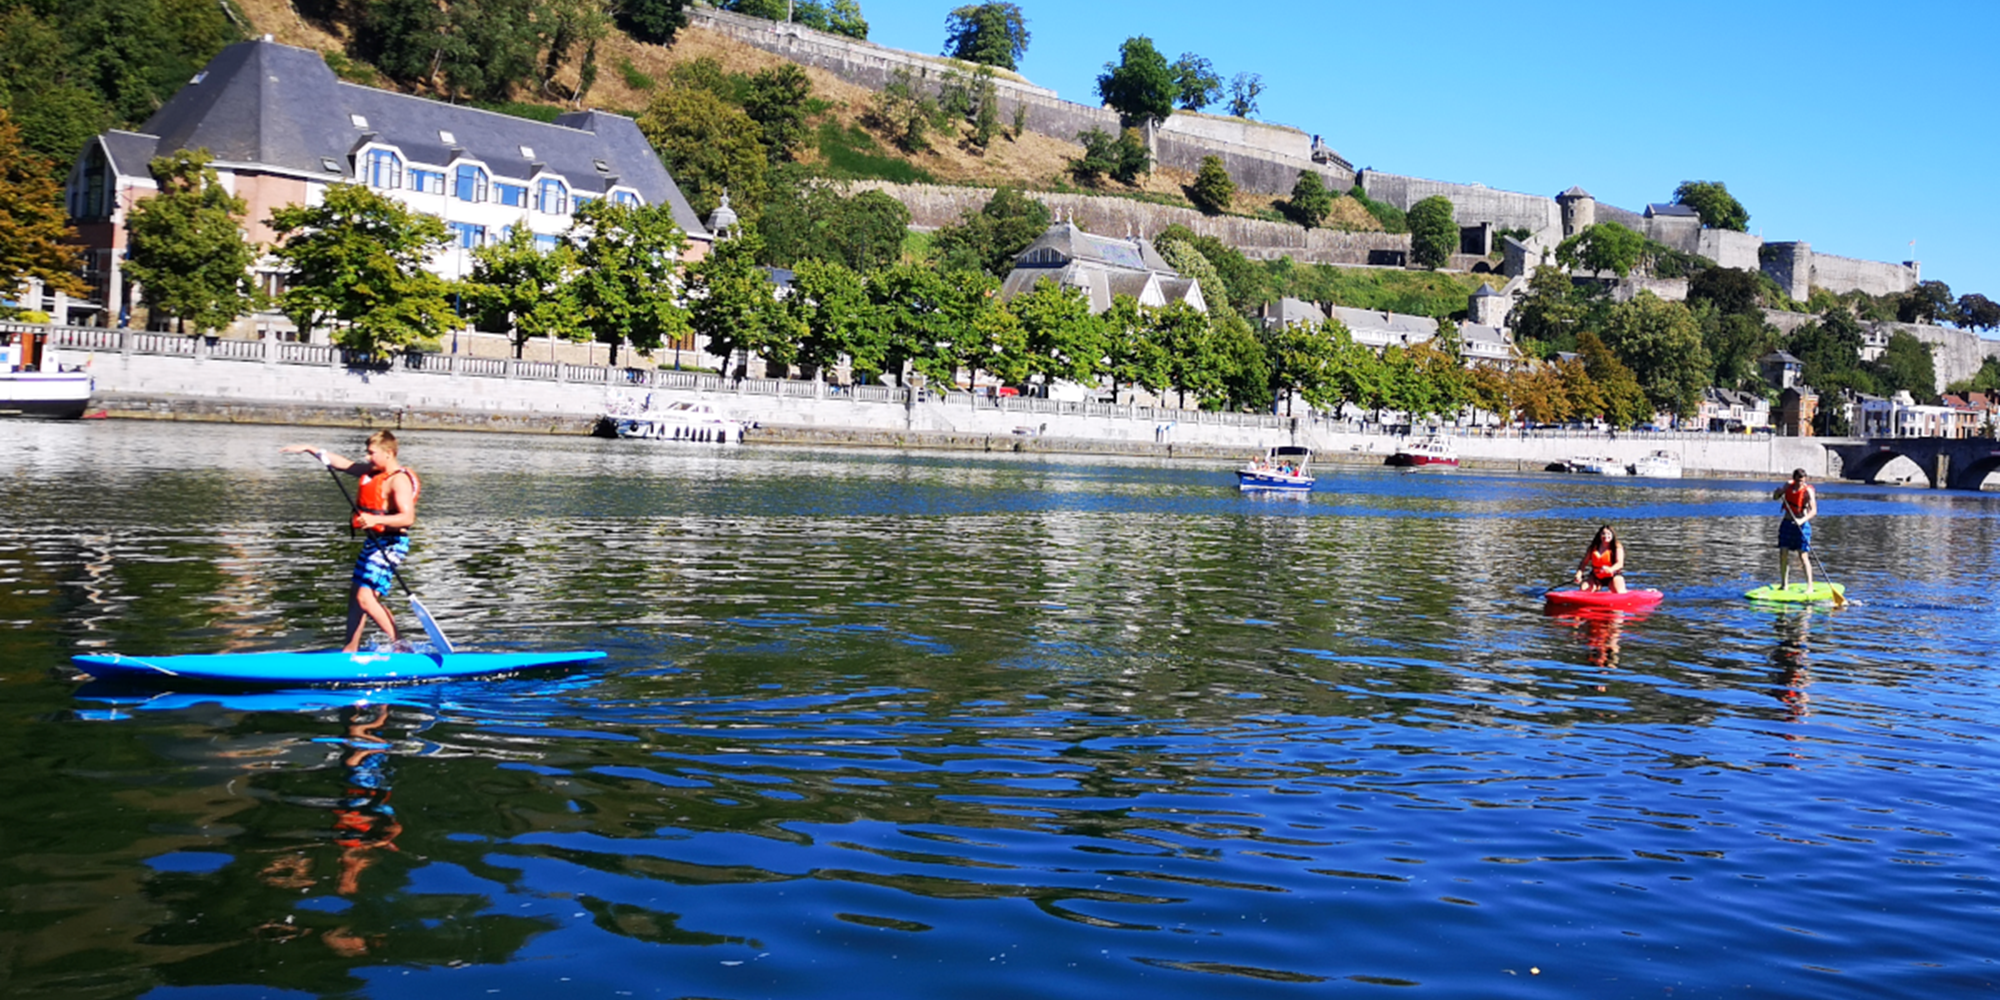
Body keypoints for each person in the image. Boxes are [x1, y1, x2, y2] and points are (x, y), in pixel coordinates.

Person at [282, 431, 421, 652]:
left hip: (392, 544)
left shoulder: (399, 480)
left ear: (389, 453)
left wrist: (374, 518)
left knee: (365, 599)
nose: (367, 457)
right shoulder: (372, 472)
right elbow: (344, 465)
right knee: (356, 599)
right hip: (373, 544)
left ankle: (402, 646)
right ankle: (350, 649)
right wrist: (311, 449)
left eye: (371, 453)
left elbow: (408, 518)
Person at [1772, 467, 1817, 590]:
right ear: (1794, 479)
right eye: (1797, 481)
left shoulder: (1808, 491)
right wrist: (1777, 493)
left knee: (1803, 556)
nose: (1799, 484)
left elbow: (1814, 511)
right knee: (1783, 553)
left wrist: (1801, 520)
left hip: (1802, 524)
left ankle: (1810, 587)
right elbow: (1775, 497)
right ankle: (1784, 584)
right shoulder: (1788, 485)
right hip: (1787, 522)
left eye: (1802, 481)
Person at [1573, 524, 1627, 593]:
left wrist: (1610, 569)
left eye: (1608, 534)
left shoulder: (1617, 547)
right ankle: (1596, 588)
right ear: (1599, 535)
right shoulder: (1593, 548)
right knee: (1583, 590)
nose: (1606, 536)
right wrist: (1579, 574)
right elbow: (1584, 563)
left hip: (1613, 576)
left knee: (1619, 592)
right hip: (1596, 576)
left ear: (1612, 535)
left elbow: (1620, 564)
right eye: (1603, 534)